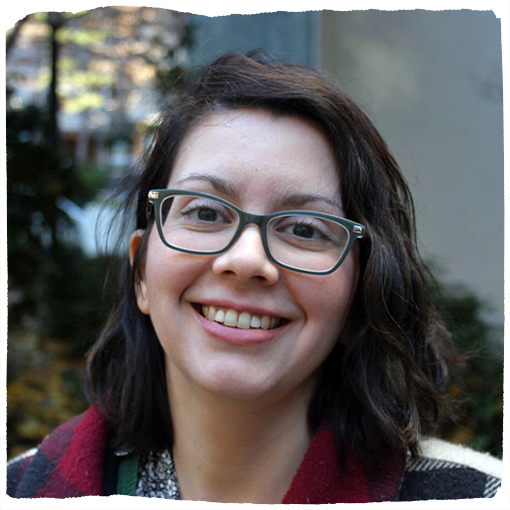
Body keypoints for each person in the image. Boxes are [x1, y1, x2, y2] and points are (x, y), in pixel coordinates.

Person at [7, 51, 502, 502]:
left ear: (361, 291)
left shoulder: (475, 497)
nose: (245, 260)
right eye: (204, 213)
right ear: (140, 272)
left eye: (305, 229)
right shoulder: (25, 490)